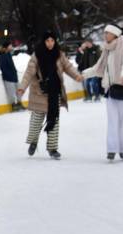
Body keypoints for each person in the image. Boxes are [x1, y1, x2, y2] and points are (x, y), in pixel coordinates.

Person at [16, 30, 84, 159]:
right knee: (36, 121)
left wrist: (77, 76)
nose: (50, 43)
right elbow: (29, 73)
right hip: (39, 93)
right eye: (47, 40)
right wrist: (22, 88)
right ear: (43, 41)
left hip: (54, 92)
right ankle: (33, 142)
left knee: (54, 120)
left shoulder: (59, 54)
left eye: (52, 40)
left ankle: (52, 149)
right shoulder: (37, 55)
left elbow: (68, 67)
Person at [82, 24, 123, 162]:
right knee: (112, 121)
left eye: (107, 33)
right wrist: (84, 74)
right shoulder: (107, 50)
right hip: (111, 90)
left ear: (115, 34)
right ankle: (112, 149)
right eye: (104, 33)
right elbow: (98, 67)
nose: (105, 35)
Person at [0, 40, 23, 111]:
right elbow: (3, 68)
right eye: (10, 45)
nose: (12, 47)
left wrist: (14, 73)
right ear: (7, 47)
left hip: (14, 77)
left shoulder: (9, 54)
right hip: (8, 78)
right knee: (11, 93)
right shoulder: (3, 55)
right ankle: (13, 105)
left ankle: (19, 104)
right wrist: (9, 75)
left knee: (19, 90)